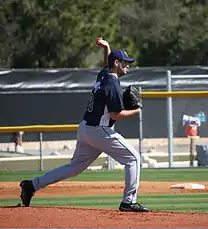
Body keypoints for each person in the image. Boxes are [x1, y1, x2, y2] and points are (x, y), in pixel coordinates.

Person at [19, 39, 150, 212]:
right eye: (125, 63)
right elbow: (115, 115)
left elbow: (106, 63)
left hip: (86, 128)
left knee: (73, 168)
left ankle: (32, 185)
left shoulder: (104, 76)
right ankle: (128, 202)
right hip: (100, 131)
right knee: (133, 158)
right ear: (116, 63)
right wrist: (136, 111)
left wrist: (107, 47)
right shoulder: (112, 84)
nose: (128, 66)